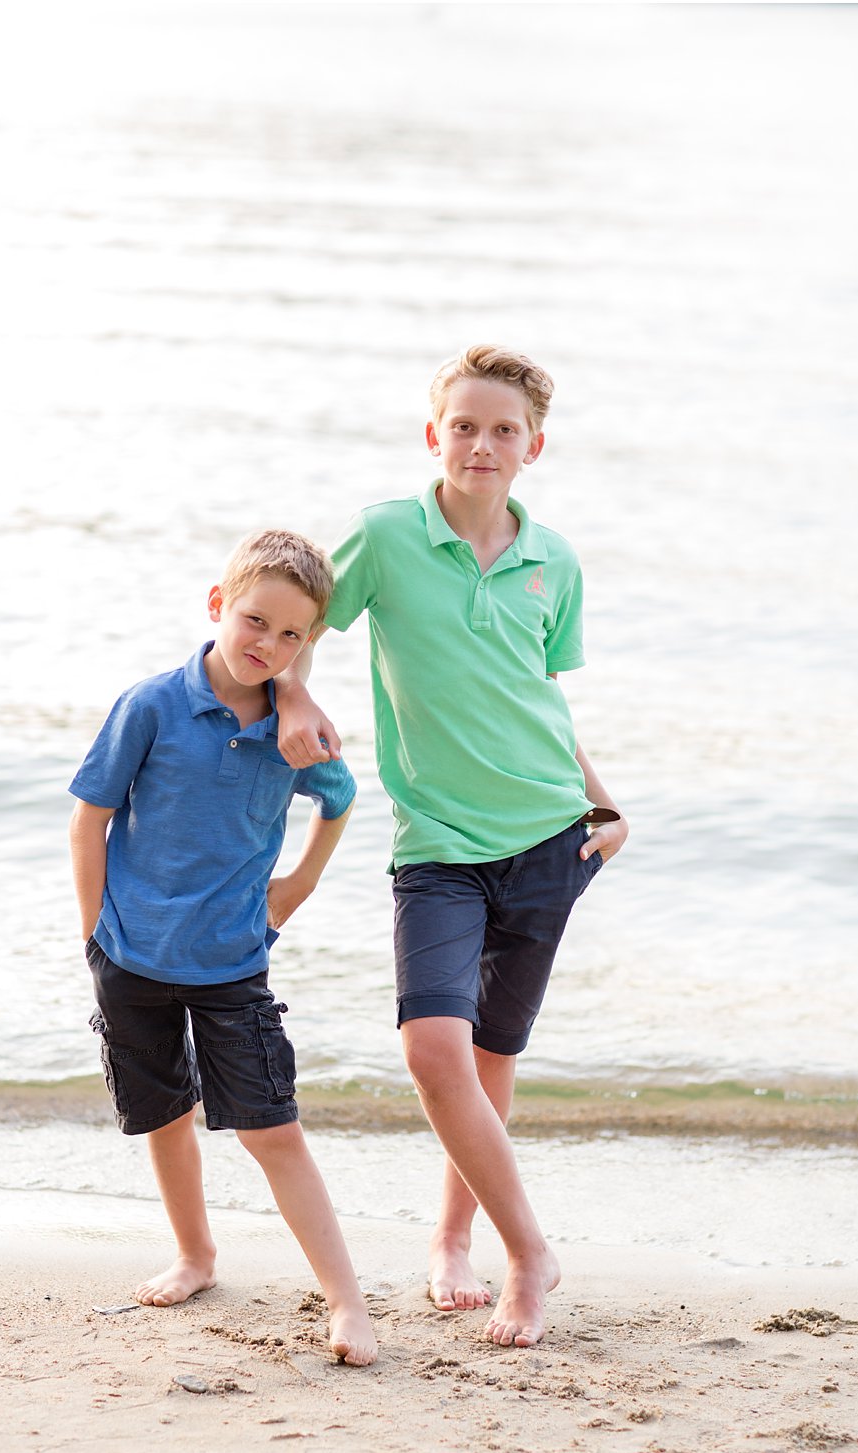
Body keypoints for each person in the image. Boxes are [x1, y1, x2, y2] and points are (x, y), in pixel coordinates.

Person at [273, 345, 627, 1348]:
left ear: (533, 448)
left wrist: (603, 805)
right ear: (435, 435)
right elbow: (298, 624)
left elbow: (536, 694)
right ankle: (531, 1252)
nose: (481, 443)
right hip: (435, 841)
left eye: (502, 430)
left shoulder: (553, 561)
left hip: (551, 836)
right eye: (463, 425)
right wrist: (293, 693)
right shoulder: (386, 536)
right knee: (435, 1051)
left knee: (490, 1056)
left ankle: (452, 1244)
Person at [69, 530, 375, 1366]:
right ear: (218, 605)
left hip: (234, 961)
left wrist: (301, 883)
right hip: (130, 957)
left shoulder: (291, 723)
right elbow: (91, 818)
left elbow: (339, 797)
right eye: (254, 621)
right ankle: (196, 1257)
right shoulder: (152, 705)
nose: (267, 645)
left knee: (272, 1129)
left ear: (308, 646)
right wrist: (95, 929)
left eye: (291, 636)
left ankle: (347, 1301)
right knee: (164, 1114)